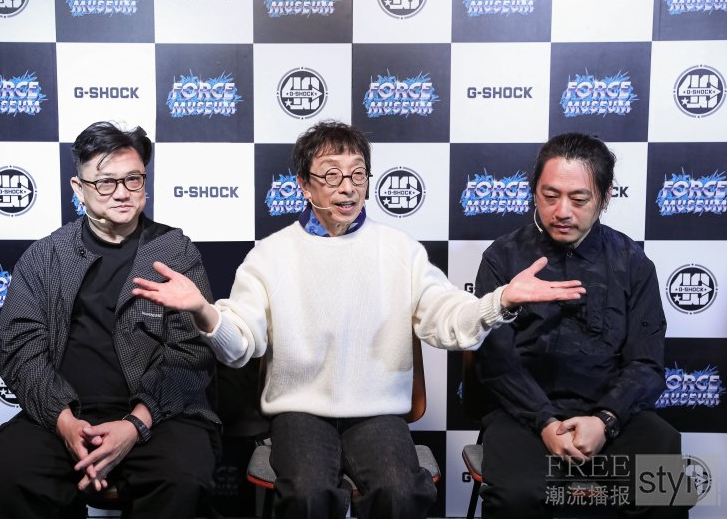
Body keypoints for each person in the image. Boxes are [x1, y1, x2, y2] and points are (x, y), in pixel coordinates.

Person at [132, 120, 585, 519]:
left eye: (357, 174)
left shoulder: (400, 249)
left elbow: (447, 318)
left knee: (401, 493)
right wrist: (205, 311)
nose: (347, 188)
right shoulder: (270, 255)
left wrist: (501, 300)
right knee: (308, 496)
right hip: (299, 411)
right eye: (331, 175)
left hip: (378, 412)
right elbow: (240, 345)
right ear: (304, 185)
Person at [0, 121, 219, 519]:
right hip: (62, 416)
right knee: (7, 477)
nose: (122, 192)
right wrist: (66, 424)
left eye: (133, 179)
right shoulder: (45, 256)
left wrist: (135, 424)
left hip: (159, 417)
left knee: (183, 477)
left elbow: (191, 354)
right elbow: (21, 352)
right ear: (79, 188)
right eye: (105, 182)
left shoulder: (174, 252)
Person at [473, 132, 689, 518]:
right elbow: (496, 362)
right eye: (550, 196)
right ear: (534, 193)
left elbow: (647, 363)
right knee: (516, 496)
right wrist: (545, 422)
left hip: (613, 416)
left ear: (605, 198)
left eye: (579, 199)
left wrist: (604, 421)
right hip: (524, 416)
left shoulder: (633, 262)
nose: (562, 211)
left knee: (664, 482)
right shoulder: (501, 258)